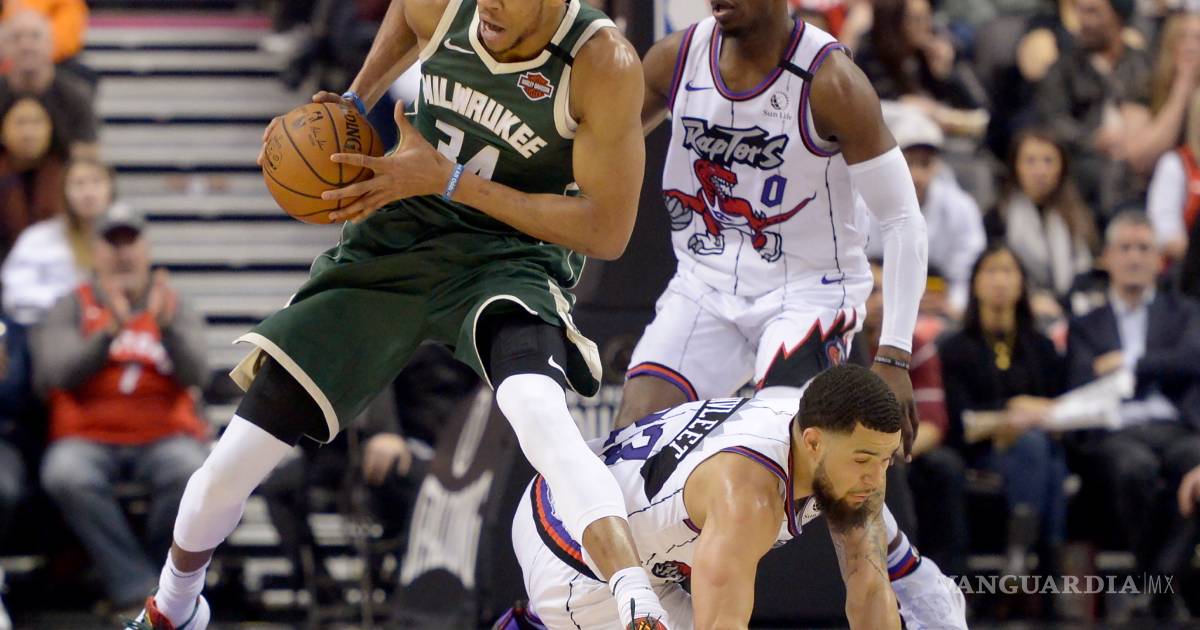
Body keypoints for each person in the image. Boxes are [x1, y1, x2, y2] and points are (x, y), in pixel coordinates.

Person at [130, 2, 668, 629]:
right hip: (401, 234)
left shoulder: (602, 60)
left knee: (536, 410)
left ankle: (638, 602)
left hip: (511, 255)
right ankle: (173, 607)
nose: (489, 5)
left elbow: (606, 232)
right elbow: (408, 17)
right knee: (233, 461)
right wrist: (355, 99)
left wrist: (452, 181)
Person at [624, 3, 966, 628]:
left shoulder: (830, 80)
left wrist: (893, 354)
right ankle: (665, 609)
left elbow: (902, 220)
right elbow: (601, 136)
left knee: (813, 457)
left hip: (807, 291)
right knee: (633, 454)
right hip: (705, 283)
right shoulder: (677, 59)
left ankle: (911, 579)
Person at [508, 366, 911, 629]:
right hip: (576, 552)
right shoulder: (747, 497)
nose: (876, 478)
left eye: (887, 459)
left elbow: (869, 588)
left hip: (626, 534)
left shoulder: (841, 444)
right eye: (864, 460)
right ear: (813, 442)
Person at [31, 208, 211, 616]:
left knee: (191, 471)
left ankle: (154, 588)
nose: (122, 254)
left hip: (164, 437)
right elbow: (55, 374)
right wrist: (108, 333)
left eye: (130, 242)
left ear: (146, 249)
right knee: (65, 474)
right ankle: (140, 592)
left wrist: (168, 329)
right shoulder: (72, 305)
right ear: (95, 253)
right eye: (112, 243)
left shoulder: (172, 304)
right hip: (87, 439)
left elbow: (199, 374)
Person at [1064, 211, 1200, 618]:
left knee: (1197, 466)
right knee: (1134, 470)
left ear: (1159, 259)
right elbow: (1083, 380)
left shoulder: (1184, 312)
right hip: (1115, 429)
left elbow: (1191, 360)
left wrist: (1130, 364)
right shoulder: (1087, 324)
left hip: (1176, 425)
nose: (1135, 257)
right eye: (1125, 248)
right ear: (1107, 258)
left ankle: (1156, 582)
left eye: (1144, 248)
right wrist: (1160, 367)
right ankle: (1161, 585)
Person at [940, 245, 1068, 582]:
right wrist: (1012, 413)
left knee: (1047, 457)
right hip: (981, 452)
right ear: (975, 283)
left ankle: (1021, 556)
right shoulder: (955, 348)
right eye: (991, 271)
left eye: (1008, 271)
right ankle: (1047, 570)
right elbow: (960, 419)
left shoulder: (1041, 346)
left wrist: (1034, 414)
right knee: (1042, 454)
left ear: (1022, 282)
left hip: (1034, 451)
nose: (1000, 280)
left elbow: (1062, 408)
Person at [853, 260, 969, 578]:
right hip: (844, 457)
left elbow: (933, 424)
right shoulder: (834, 348)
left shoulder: (913, 346)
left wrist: (887, 455)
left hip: (898, 455)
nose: (880, 301)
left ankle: (947, 579)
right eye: (871, 291)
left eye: (886, 292)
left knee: (944, 468)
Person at [1034, 0, 1195, 217]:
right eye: (1080, 12)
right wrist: (1092, 139)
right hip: (1083, 167)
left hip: (1141, 167)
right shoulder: (1064, 69)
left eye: (1093, 12)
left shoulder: (1144, 65)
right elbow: (1052, 121)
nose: (1083, 21)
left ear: (1117, 16)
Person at [866, 103, 985, 315]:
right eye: (909, 162)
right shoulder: (867, 201)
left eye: (925, 163)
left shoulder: (961, 208)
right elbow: (850, 263)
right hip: (878, 305)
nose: (917, 175)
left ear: (937, 165)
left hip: (938, 311)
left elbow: (966, 275)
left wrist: (952, 305)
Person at [985, 128, 1099, 300]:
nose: (1040, 171)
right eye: (1030, 161)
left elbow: (1087, 269)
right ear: (1016, 166)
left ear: (1062, 167)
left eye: (1048, 161)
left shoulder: (1080, 217)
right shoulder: (998, 218)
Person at [1, 158, 116, 325]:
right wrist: (70, 302)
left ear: (111, 189)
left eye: (96, 182)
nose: (88, 193)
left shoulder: (127, 238)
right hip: (49, 328)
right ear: (64, 192)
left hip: (112, 326)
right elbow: (15, 294)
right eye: (79, 184)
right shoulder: (37, 238)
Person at [0, 10, 97, 157]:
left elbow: (87, 156)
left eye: (35, 36)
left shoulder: (75, 95)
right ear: (3, 47)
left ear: (51, 44)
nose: (26, 45)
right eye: (16, 38)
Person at [1146, 12, 1200, 264]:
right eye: (1183, 38)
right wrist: (1184, 83)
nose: (1191, 46)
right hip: (1188, 271)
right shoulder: (1176, 165)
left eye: (1197, 38)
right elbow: (1166, 233)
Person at [0, 94, 65, 258]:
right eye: (20, 123)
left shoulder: (67, 175)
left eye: (36, 123)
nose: (28, 133)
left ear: (51, 129)